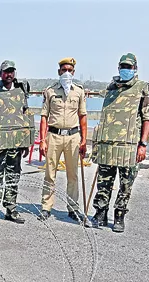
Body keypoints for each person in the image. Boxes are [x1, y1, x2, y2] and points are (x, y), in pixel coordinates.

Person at [88, 53, 149, 233]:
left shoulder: (143, 88)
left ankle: (119, 216)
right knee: (104, 182)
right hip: (108, 145)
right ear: (118, 68)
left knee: (126, 184)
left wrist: (143, 144)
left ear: (135, 69)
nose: (126, 70)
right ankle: (99, 214)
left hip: (130, 146)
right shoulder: (111, 88)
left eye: (129, 67)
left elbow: (147, 118)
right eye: (123, 67)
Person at [0, 60, 35, 227]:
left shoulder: (21, 90)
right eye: (5, 72)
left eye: (11, 72)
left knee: (13, 176)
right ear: (0, 74)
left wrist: (27, 141)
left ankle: (11, 209)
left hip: (16, 142)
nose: (9, 75)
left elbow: (26, 115)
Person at [38, 57, 88, 222]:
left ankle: (73, 208)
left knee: (72, 175)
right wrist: (43, 140)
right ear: (59, 71)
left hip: (73, 137)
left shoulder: (79, 91)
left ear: (74, 72)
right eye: (64, 70)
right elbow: (44, 117)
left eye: (70, 70)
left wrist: (84, 140)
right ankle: (46, 207)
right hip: (54, 136)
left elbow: (83, 116)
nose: (67, 73)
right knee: (49, 174)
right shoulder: (50, 91)